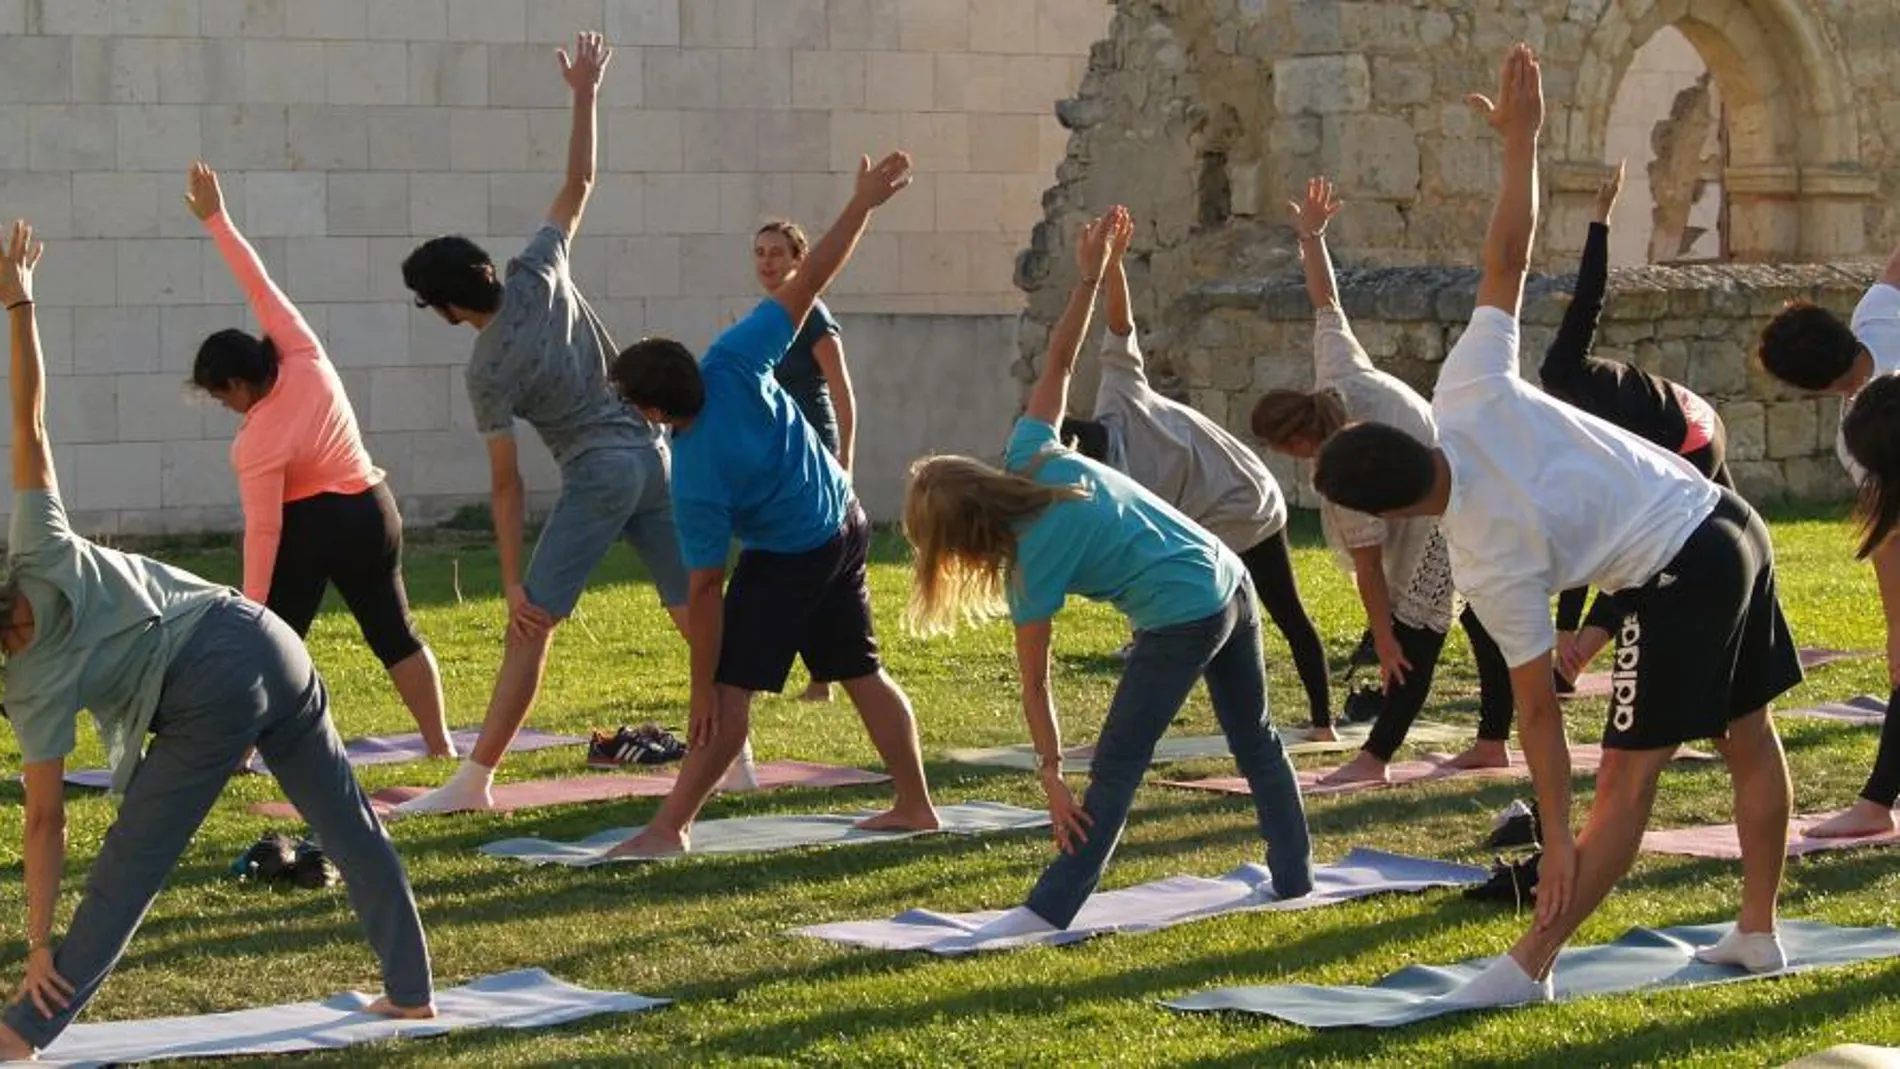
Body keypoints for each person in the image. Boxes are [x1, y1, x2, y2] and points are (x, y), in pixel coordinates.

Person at [1312, 45, 1800, 1004]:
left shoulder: (1488, 562)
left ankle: (1529, 965)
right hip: (1729, 515)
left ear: (1386, 508)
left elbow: (1539, 714)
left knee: (1627, 781)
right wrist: (1522, 143)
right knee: (1747, 729)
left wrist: (1561, 833)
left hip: (1680, 572)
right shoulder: (1469, 388)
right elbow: (1510, 255)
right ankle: (1757, 932)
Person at [0, 221, 436, 1061]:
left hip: (208, 679)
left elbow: (46, 821)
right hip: (266, 635)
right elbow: (31, 422)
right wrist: (21, 302)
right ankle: (412, 989)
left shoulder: (29, 683)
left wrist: (40, 940)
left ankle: (22, 1032)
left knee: (133, 858)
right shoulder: (36, 544)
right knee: (345, 820)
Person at [900, 206, 1313, 931]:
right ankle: (1294, 876)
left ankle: (1047, 909)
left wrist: (1054, 776)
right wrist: (1088, 277)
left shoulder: (1030, 562)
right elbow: (1060, 360)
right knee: (1254, 736)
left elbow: (1036, 682)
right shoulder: (1031, 449)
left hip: (1189, 609)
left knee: (1119, 763)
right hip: (1227, 573)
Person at [395, 33, 699, 813]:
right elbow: (581, 180)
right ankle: (730, 749)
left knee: (531, 628)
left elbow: (506, 483)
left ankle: (474, 780)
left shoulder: (486, 368)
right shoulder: (538, 267)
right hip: (655, 457)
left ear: (448, 306)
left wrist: (510, 583)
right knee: (692, 613)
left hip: (600, 472)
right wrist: (585, 93)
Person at [603, 151, 938, 857]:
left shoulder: (694, 475)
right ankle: (914, 803)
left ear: (658, 409)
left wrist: (700, 690)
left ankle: (669, 829)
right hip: (844, 523)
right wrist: (864, 204)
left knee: (730, 697)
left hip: (796, 550)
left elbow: (705, 588)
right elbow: (815, 274)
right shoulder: (731, 357)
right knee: (861, 671)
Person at [185, 161, 453, 758]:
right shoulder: (304, 352)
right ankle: (440, 747)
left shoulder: (255, 442)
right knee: (395, 634)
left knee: (275, 640)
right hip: (371, 512)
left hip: (312, 526)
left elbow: (264, 529)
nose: (223, 406)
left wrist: (251, 611)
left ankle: (244, 753)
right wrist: (218, 222)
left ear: (234, 381)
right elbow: (259, 285)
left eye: (219, 394)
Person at [1250, 176, 1514, 783]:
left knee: (1414, 641)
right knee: (1479, 618)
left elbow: (1371, 569)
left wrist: (1383, 637)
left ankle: (1374, 760)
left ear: (1295, 441)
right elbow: (1327, 303)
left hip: (1439, 512)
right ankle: (1494, 740)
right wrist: (1312, 239)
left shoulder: (1343, 474)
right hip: (1468, 478)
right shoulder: (1338, 375)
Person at [1056, 211, 1335, 741]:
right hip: (1245, 483)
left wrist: (1108, 265)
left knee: (1220, 612)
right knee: (1258, 612)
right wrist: (1112, 265)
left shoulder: (1127, 487)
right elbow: (1121, 323)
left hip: (1239, 505)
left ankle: (1314, 725)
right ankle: (1314, 723)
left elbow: (1146, 561)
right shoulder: (1119, 395)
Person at [1537, 159, 1733, 690]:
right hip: (1681, 422)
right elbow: (1587, 531)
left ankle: (1575, 659)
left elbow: (1590, 297)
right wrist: (1562, 624)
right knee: (1647, 543)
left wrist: (1601, 218)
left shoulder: (1564, 369)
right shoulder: (1574, 434)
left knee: (1649, 550)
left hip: (1689, 431)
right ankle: (1571, 657)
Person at [1756, 232, 1900, 838]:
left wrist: (1896, 632)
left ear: (1813, 388)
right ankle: (1874, 803)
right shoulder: (1878, 315)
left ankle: (1874, 806)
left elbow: (1890, 537)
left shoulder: (1860, 435)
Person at [753, 219, 858, 704]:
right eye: (760, 253)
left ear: (800, 259)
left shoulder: (811, 313)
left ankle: (823, 677)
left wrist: (845, 459)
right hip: (778, 452)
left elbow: (841, 390)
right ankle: (818, 674)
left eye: (777, 252)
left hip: (815, 448)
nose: (768, 262)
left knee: (813, 561)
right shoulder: (767, 314)